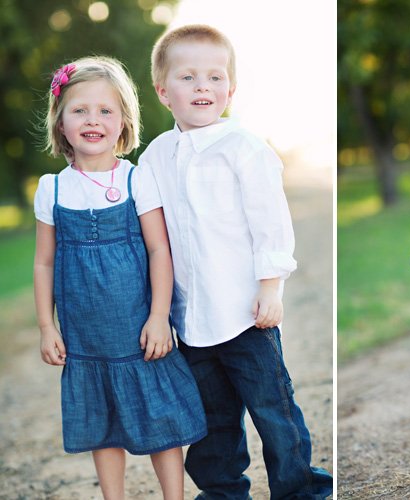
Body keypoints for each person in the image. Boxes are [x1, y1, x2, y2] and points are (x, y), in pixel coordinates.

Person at [139, 24, 333, 499]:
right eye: (187, 77)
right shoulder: (157, 156)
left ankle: (300, 489)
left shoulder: (244, 148)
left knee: (273, 410)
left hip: (246, 313)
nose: (202, 86)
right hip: (192, 318)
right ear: (163, 91)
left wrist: (270, 286)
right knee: (212, 418)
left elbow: (270, 224)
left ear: (231, 88)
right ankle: (222, 492)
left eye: (215, 76)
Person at [33, 56, 207, 498]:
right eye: (80, 110)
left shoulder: (137, 180)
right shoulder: (52, 188)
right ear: (61, 122)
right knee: (103, 425)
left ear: (124, 122)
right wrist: (47, 326)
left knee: (161, 419)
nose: (93, 120)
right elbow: (44, 263)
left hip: (138, 330)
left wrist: (159, 316)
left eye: (105, 111)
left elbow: (159, 249)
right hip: (86, 339)